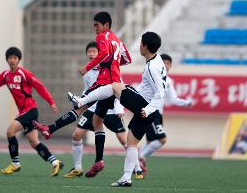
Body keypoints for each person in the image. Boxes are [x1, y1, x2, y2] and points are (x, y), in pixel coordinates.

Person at [35, 11, 131, 177]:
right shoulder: (117, 40)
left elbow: (105, 54)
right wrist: (113, 63)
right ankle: (99, 160)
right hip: (114, 85)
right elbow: (127, 59)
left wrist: (88, 67)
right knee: (97, 121)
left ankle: (50, 128)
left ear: (105, 25)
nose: (95, 28)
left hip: (104, 83)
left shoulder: (103, 36)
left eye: (97, 25)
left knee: (79, 105)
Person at [68, 31, 167, 187]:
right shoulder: (157, 60)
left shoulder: (152, 67)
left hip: (145, 106)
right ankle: (127, 178)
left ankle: (81, 101)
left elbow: (161, 92)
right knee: (131, 142)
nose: (139, 45)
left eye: (141, 43)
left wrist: (147, 109)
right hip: (148, 108)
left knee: (114, 86)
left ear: (145, 46)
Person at [0, 47, 63, 176]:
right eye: (10, 58)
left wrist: (51, 102)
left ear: (19, 60)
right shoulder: (5, 75)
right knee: (34, 142)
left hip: (30, 110)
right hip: (24, 112)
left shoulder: (24, 74)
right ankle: (55, 162)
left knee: (10, 132)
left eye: (15, 58)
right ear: (7, 60)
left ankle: (15, 164)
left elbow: (39, 86)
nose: (12, 60)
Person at [61, 41, 128, 178]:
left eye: (94, 52)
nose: (91, 54)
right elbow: (88, 90)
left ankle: (137, 167)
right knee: (76, 135)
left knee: (123, 139)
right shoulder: (86, 71)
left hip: (109, 109)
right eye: (89, 52)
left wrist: (118, 107)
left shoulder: (110, 68)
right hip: (92, 108)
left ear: (100, 54)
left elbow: (118, 89)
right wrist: (81, 101)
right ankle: (78, 168)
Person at [136, 53, 192, 175]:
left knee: (151, 142)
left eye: (168, 63)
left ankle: (138, 160)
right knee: (162, 139)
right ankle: (140, 159)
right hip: (151, 112)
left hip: (158, 114)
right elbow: (141, 89)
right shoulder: (152, 74)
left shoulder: (169, 81)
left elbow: (173, 99)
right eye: (164, 62)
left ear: (170, 66)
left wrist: (186, 103)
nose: (166, 65)